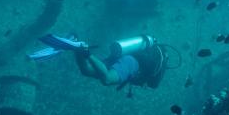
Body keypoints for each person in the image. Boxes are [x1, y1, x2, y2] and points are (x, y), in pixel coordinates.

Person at [31, 34, 169, 89]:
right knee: (107, 79)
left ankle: (78, 47)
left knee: (87, 71)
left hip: (123, 55)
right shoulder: (154, 68)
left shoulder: (151, 55)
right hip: (132, 62)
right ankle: (85, 52)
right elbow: (153, 85)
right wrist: (89, 55)